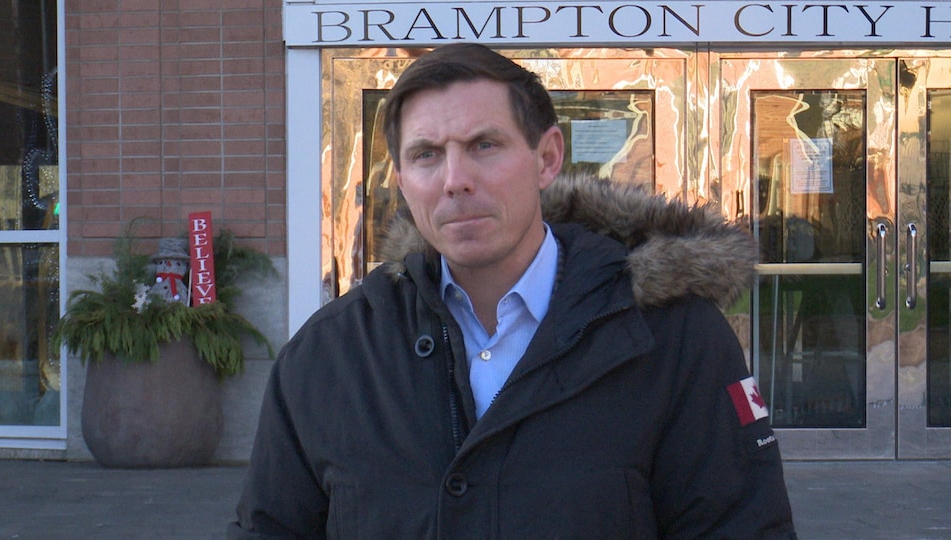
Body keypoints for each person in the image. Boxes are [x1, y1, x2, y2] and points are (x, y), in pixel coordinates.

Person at [229, 43, 796, 538]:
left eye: (484, 145)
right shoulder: (329, 356)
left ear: (547, 158)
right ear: (401, 181)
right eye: (426, 155)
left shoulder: (674, 340)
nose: (455, 180)